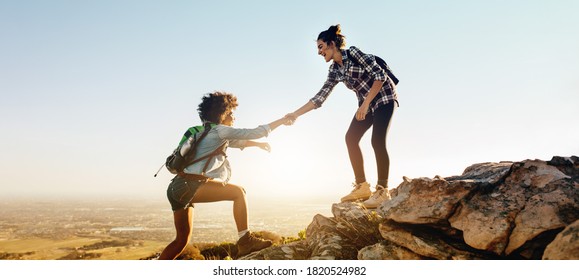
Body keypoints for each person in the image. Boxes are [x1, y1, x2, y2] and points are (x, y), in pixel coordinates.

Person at [160, 91, 290, 260]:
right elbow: (255, 132)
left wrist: (258, 145)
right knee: (239, 192)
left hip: (176, 188)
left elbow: (239, 142)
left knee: (181, 241)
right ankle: (245, 240)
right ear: (223, 115)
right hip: (189, 186)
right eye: (231, 114)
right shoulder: (221, 131)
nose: (234, 118)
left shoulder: (203, 131)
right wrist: (282, 120)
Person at [286, 24, 398, 208]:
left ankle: (382, 190)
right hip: (366, 105)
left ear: (331, 44)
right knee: (351, 138)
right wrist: (295, 114)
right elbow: (319, 98)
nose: (319, 52)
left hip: (384, 97)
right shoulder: (334, 71)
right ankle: (362, 186)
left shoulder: (353, 53)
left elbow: (380, 76)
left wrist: (365, 103)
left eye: (320, 47)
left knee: (377, 141)